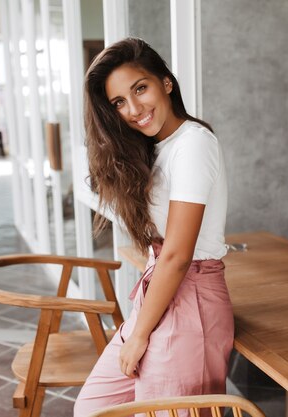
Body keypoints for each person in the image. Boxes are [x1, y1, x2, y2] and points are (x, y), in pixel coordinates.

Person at [73, 38, 233, 416]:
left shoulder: (193, 144)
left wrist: (139, 335)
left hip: (189, 295)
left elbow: (178, 255)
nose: (134, 109)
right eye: (119, 103)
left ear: (166, 82)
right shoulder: (156, 149)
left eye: (140, 89)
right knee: (92, 409)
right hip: (160, 292)